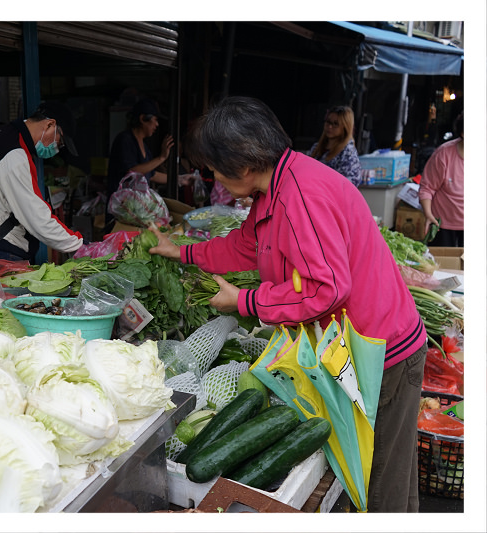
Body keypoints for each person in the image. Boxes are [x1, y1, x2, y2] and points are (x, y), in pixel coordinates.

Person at [148, 96, 427, 513]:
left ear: (241, 165)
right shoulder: (277, 186)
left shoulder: (301, 196)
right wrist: (184, 253)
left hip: (382, 353)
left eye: (214, 168)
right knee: (379, 474)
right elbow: (247, 246)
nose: (213, 177)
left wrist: (246, 301)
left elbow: (325, 289)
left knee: (382, 478)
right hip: (356, 347)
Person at [0, 101, 84, 262]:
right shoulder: (16, 156)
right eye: (60, 141)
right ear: (50, 124)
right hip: (1, 250)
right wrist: (79, 245)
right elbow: (37, 218)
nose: (57, 148)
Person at [106, 98, 174, 220]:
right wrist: (162, 157)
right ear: (143, 119)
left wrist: (180, 179)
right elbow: (133, 171)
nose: (157, 125)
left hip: (137, 212)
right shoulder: (125, 140)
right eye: (155, 120)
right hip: (122, 211)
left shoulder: (144, 146)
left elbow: (151, 174)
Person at [419, 113, 463, 247]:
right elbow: (427, 188)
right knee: (442, 266)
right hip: (442, 225)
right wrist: (428, 214)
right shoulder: (444, 154)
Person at [308, 105, 363, 186]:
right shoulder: (316, 148)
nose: (330, 127)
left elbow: (350, 184)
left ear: (345, 127)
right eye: (328, 122)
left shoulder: (348, 152)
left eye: (335, 124)